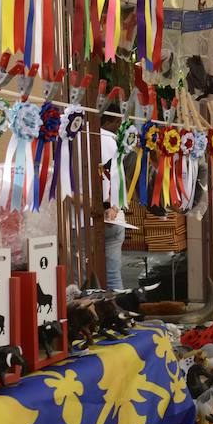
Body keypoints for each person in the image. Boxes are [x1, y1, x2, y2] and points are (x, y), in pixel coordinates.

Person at [99, 109, 125, 291]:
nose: (119, 127)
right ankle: (118, 315)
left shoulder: (81, 139)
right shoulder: (112, 142)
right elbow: (118, 179)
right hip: (113, 215)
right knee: (113, 275)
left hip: (89, 218)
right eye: (118, 122)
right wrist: (114, 206)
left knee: (85, 276)